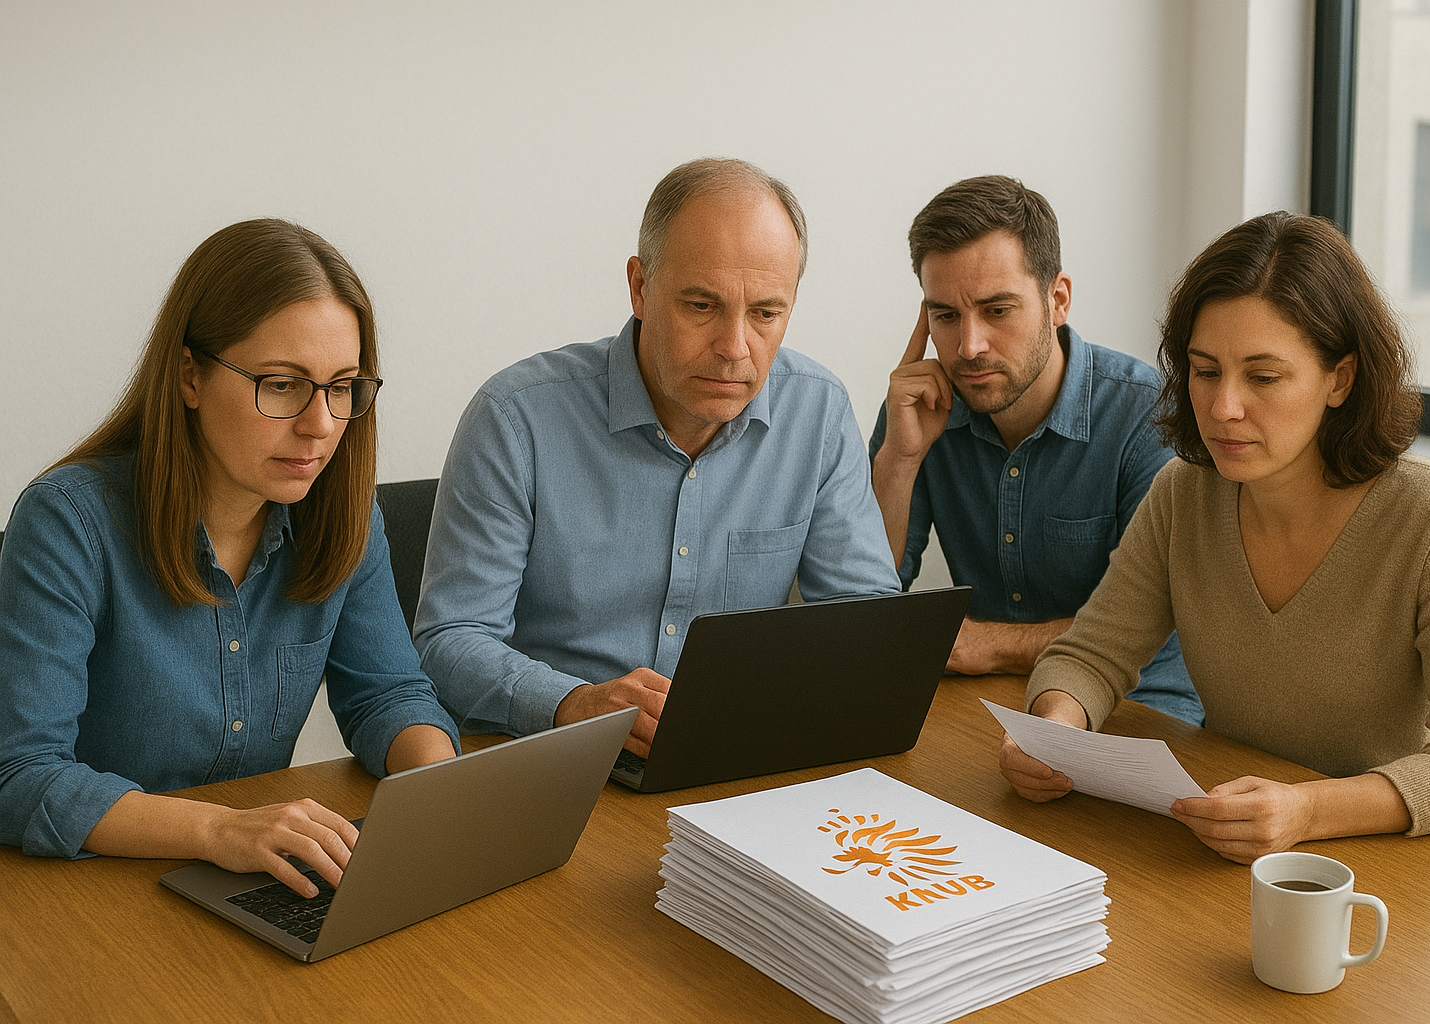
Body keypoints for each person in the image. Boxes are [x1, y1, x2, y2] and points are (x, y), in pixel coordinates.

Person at [1001, 211, 1430, 862]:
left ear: (1340, 379)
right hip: (1251, 850)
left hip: (1427, 866)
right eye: (1205, 371)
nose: (1224, 407)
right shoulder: (1183, 495)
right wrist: (1053, 734)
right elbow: (1089, 656)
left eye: (1264, 377)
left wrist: (1307, 809)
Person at [0, 220, 460, 896]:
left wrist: (444, 789)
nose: (321, 425)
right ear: (190, 376)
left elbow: (387, 693)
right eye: (282, 384)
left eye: (342, 386)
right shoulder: (68, 522)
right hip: (92, 891)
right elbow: (21, 776)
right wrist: (220, 830)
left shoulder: (344, 514)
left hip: (252, 880)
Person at [414, 158, 900, 756]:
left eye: (765, 314)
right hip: (560, 758)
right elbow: (450, 640)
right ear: (640, 287)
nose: (734, 348)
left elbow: (866, 628)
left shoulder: (817, 411)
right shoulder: (516, 418)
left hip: (737, 755)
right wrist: (575, 704)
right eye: (701, 306)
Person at [869, 176, 1202, 724]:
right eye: (945, 316)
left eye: (997, 310)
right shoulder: (919, 411)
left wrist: (992, 645)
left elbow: (1159, 624)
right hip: (981, 705)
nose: (969, 346)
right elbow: (867, 605)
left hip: (1137, 709)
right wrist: (899, 462)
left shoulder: (1148, 415)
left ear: (1057, 300)